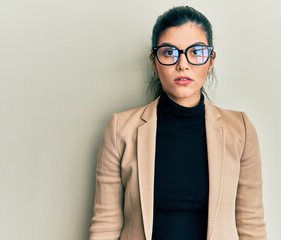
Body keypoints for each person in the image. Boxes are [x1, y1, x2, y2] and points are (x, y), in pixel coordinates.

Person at [89, 6, 267, 240]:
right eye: (169, 53)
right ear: (154, 61)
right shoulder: (120, 129)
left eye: (196, 52)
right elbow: (106, 224)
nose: (182, 64)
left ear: (211, 60)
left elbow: (251, 225)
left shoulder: (240, 129)